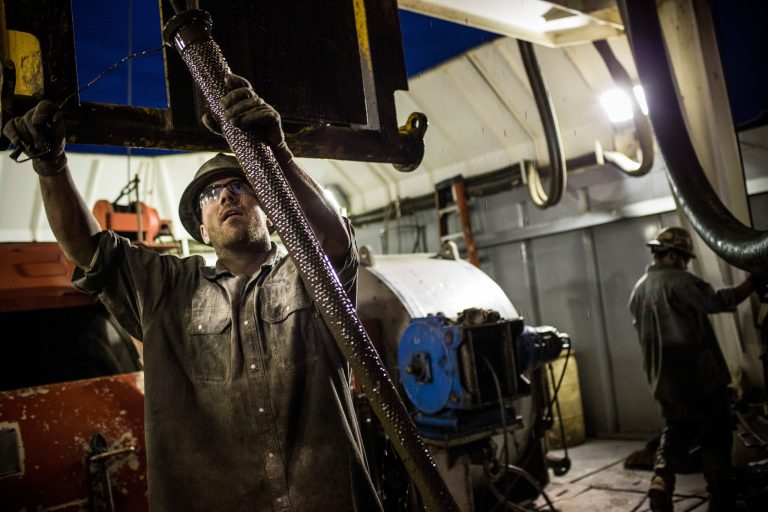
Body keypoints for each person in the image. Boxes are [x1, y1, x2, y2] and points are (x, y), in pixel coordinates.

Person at [3, 74, 383, 512]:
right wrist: (50, 165)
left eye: (241, 187)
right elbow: (90, 252)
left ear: (270, 211)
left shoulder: (306, 278)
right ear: (201, 230)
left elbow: (334, 243)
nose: (227, 197)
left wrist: (276, 157)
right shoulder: (169, 289)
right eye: (211, 195)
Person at [628, 226, 761, 512]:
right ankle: (722, 502)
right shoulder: (681, 282)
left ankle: (661, 481)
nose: (687, 263)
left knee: (675, 433)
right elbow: (717, 302)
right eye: (685, 257)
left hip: (663, 383)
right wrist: (752, 283)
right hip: (699, 380)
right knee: (716, 439)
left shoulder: (638, 291)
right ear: (674, 255)